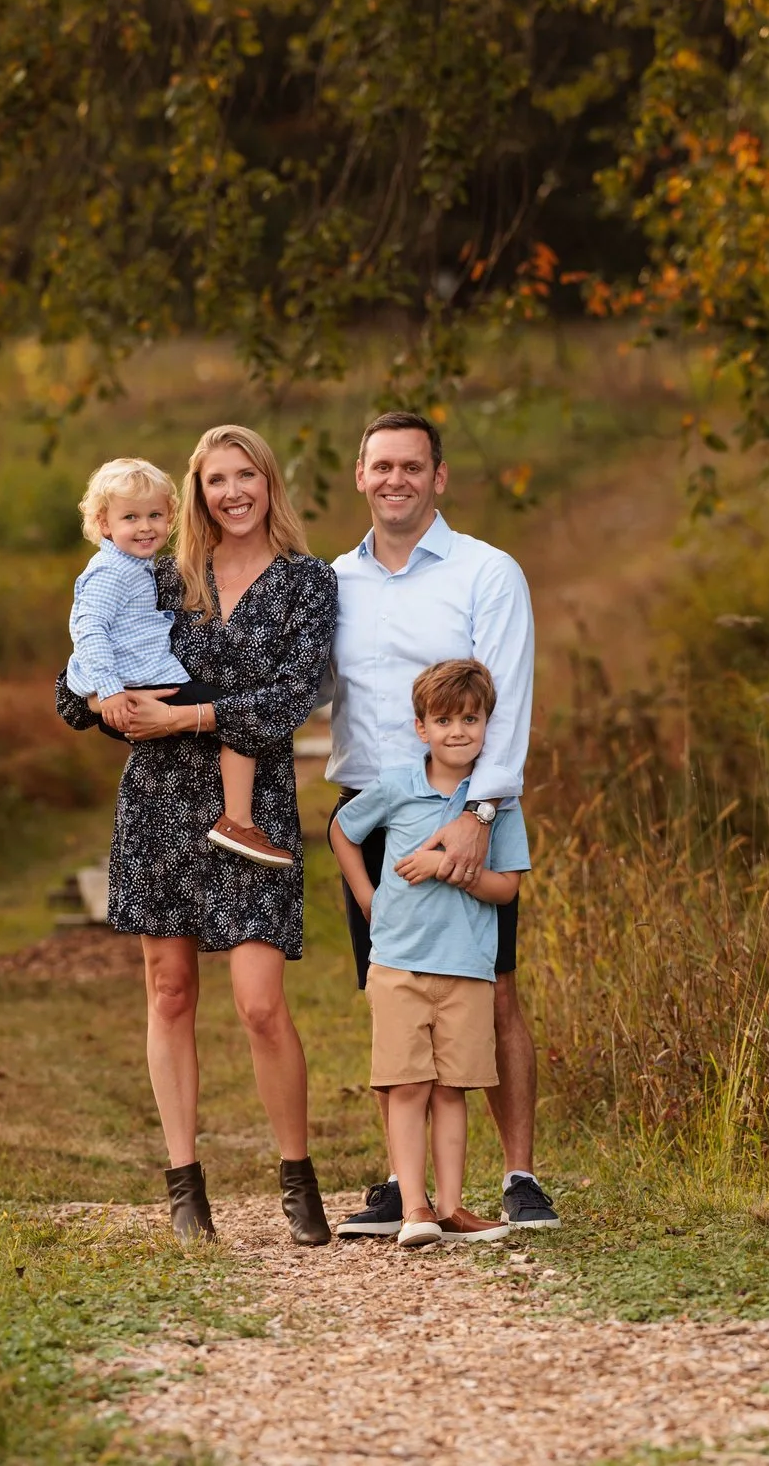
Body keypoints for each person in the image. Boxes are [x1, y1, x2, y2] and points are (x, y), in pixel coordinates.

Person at [55, 425, 338, 1245]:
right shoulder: (163, 576)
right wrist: (113, 705)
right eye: (216, 478)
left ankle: (298, 1174)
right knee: (169, 991)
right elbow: (80, 682)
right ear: (198, 491)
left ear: (268, 481)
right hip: (160, 801)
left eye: (245, 474)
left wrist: (189, 713)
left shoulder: (306, 583)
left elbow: (292, 698)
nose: (233, 491)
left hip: (255, 807)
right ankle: (185, 1187)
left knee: (258, 1003)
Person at [326, 410, 559, 1237]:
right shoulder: (332, 582)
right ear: (360, 475)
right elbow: (303, 690)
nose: (396, 479)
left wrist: (484, 813)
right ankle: (405, 1185)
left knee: (489, 989)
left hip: (467, 809)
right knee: (394, 998)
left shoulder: (486, 572)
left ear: (439, 477)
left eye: (412, 466)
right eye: (381, 465)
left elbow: (511, 698)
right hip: (376, 806)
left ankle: (520, 1176)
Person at [330, 658, 530, 1248]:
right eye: (444, 720)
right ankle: (413, 1206)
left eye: (471, 719)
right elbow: (343, 831)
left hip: (467, 968)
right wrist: (367, 899)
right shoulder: (396, 784)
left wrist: (451, 868)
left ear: (488, 725)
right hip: (398, 963)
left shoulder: (497, 805)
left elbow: (506, 887)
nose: (458, 731)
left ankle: (451, 1209)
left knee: (452, 1089)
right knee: (406, 1084)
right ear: (422, 728)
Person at [63, 456, 290, 868]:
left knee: (231, 712)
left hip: (145, 684)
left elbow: (290, 697)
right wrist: (109, 694)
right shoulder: (112, 572)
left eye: (155, 515)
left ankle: (234, 819)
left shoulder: (140, 569)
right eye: (130, 517)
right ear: (104, 523)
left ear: (171, 515)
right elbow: (88, 633)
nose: (145, 526)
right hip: (140, 685)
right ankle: (237, 820)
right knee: (233, 714)